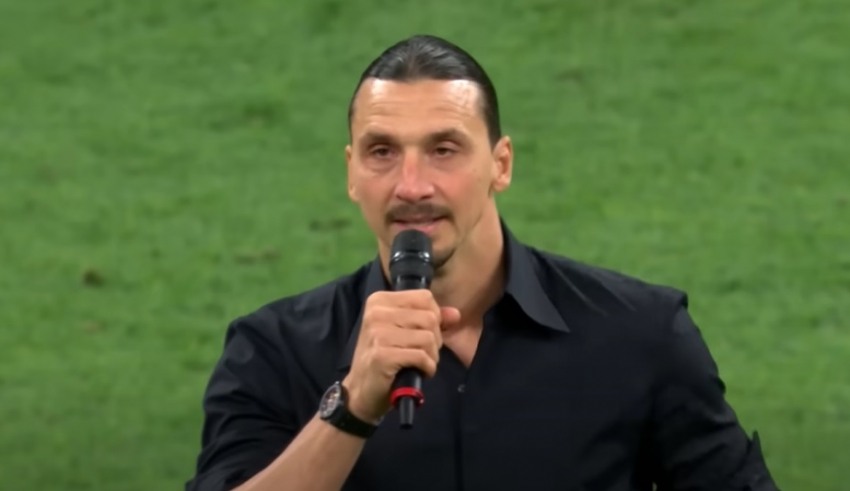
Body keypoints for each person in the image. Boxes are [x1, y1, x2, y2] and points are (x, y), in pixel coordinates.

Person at [185, 34, 779, 491]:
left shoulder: (640, 335)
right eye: (382, 151)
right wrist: (352, 406)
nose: (411, 185)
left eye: (444, 149)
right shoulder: (273, 351)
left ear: (501, 164)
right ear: (351, 173)